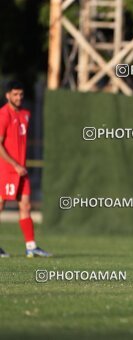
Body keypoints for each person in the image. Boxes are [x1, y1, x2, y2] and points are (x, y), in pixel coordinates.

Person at [0, 80, 51, 258]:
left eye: (21, 94)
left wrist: (20, 166)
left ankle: (31, 247)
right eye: (15, 94)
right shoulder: (3, 115)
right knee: (0, 205)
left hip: (22, 170)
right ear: (7, 95)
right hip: (7, 169)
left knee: (26, 206)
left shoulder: (25, 115)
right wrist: (14, 164)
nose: (18, 97)